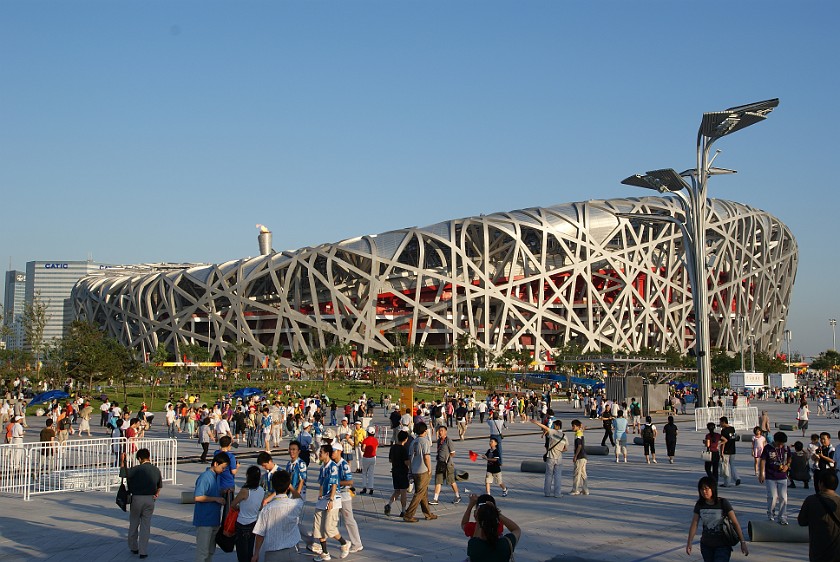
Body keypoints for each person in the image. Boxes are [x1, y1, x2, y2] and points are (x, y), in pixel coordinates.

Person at [685, 476, 748, 561]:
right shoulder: (700, 505)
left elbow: (735, 523)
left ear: (712, 489)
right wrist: (689, 542)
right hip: (706, 545)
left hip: (723, 545)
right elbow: (694, 524)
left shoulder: (723, 503)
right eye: (701, 489)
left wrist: (742, 542)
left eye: (706, 489)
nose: (704, 491)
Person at [250, 470, 304, 562]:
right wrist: (291, 487)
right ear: (287, 487)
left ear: (273, 486)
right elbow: (299, 498)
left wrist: (256, 553)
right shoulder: (295, 505)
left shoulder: (266, 509)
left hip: (272, 554)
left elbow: (260, 534)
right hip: (292, 552)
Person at [311, 445, 350, 561]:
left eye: (321, 452)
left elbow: (334, 484)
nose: (319, 454)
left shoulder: (333, 467)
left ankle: (344, 543)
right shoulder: (322, 467)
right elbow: (321, 483)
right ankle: (325, 552)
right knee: (318, 527)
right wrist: (319, 495)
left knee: (329, 528)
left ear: (327, 453)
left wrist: (331, 500)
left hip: (333, 499)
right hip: (322, 499)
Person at [125, 448, 163, 559]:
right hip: (150, 499)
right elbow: (159, 486)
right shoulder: (156, 470)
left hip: (136, 499)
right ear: (149, 457)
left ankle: (133, 547)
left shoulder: (136, 469)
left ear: (140, 459)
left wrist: (123, 462)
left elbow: (123, 474)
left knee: (134, 523)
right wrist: (156, 494)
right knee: (146, 526)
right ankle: (143, 551)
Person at [193, 452, 231, 562]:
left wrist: (223, 493)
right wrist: (215, 499)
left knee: (210, 551)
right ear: (215, 464)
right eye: (222, 467)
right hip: (204, 520)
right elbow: (198, 497)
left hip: (214, 520)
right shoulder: (205, 477)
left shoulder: (217, 477)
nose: (223, 470)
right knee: (203, 552)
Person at [797, 470, 840, 562]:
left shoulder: (811, 500)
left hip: (817, 552)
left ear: (821, 484)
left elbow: (802, 521)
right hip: (837, 552)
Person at [465, 495, 522, 562]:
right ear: (498, 522)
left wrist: (478, 519)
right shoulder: (506, 544)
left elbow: (475, 537)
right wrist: (496, 513)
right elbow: (516, 529)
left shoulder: (475, 546)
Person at [404, 421, 437, 522]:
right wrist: (430, 469)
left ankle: (427, 514)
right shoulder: (425, 441)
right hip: (423, 470)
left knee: (423, 493)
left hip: (414, 469)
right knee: (419, 493)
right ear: (425, 430)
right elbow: (426, 456)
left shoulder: (413, 441)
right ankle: (409, 514)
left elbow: (410, 458)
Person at [230, 465, 265, 562]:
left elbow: (233, 504)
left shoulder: (245, 491)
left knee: (242, 553)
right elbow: (260, 507)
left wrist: (240, 508)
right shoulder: (261, 490)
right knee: (250, 551)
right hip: (253, 523)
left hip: (241, 524)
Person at [759, 431, 792, 525]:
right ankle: (770, 515)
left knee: (783, 497)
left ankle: (782, 517)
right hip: (770, 476)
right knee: (773, 497)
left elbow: (790, 457)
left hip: (782, 477)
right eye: (779, 443)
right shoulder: (768, 448)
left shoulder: (786, 448)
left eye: (782, 444)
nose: (780, 445)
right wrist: (761, 474)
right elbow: (763, 460)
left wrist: (787, 465)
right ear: (775, 440)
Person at [530, 418, 566, 497]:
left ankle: (547, 492)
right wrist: (559, 450)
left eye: (554, 425)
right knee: (558, 476)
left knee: (549, 475)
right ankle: (557, 493)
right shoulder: (564, 436)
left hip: (550, 457)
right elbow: (565, 448)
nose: (553, 426)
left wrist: (536, 422)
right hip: (559, 457)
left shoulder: (553, 432)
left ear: (557, 426)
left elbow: (545, 428)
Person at [431, 425, 461, 504]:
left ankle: (457, 496)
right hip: (440, 463)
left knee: (451, 481)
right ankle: (435, 498)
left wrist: (447, 459)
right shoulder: (439, 441)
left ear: (445, 432)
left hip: (448, 464)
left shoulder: (448, 441)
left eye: (442, 431)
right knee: (438, 480)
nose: (440, 432)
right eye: (439, 431)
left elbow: (453, 453)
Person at [385, 430, 410, 517]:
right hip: (402, 472)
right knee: (403, 491)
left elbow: (390, 460)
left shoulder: (393, 448)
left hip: (394, 471)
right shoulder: (404, 449)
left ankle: (389, 504)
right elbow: (406, 462)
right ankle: (403, 511)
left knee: (397, 491)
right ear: (406, 439)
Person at [213, 435, 239, 499]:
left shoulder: (216, 453)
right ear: (229, 445)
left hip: (218, 483)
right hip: (228, 483)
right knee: (228, 506)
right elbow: (233, 472)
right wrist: (237, 466)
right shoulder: (231, 456)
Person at [719, 417, 740, 486]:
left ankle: (727, 482)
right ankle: (737, 478)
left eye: (720, 422)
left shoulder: (723, 431)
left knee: (726, 466)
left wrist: (721, 451)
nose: (720, 424)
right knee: (732, 465)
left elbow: (723, 442)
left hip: (726, 450)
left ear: (723, 422)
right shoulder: (732, 429)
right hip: (733, 449)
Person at [570, 419, 589, 495]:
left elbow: (579, 446)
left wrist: (575, 456)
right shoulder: (580, 432)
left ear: (577, 426)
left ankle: (575, 490)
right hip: (584, 456)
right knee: (583, 474)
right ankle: (585, 490)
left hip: (580, 457)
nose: (572, 427)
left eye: (573, 426)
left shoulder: (578, 434)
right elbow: (582, 429)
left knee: (577, 474)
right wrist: (582, 427)